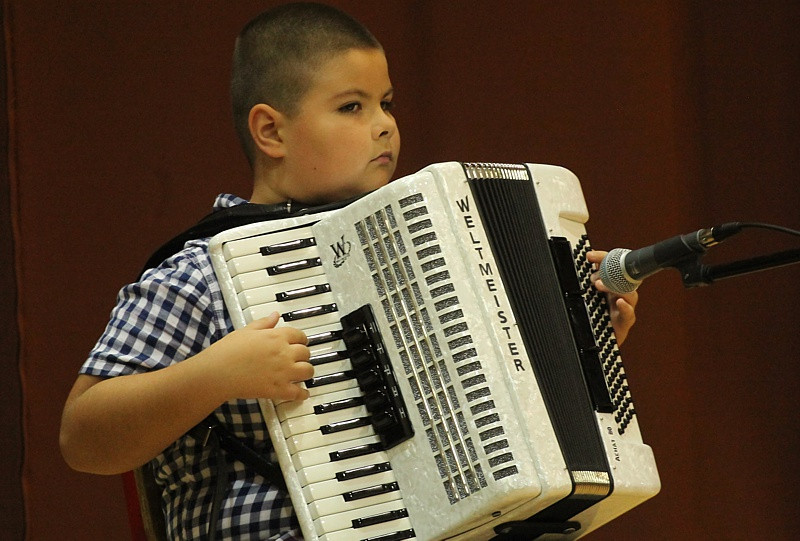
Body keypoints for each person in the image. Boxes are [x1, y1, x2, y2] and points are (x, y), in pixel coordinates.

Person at [59, 3, 638, 540]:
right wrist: (217, 374)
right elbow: (83, 435)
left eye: (386, 103)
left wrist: (578, 342)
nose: (384, 124)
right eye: (351, 107)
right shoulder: (203, 273)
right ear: (272, 132)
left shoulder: (416, 258)